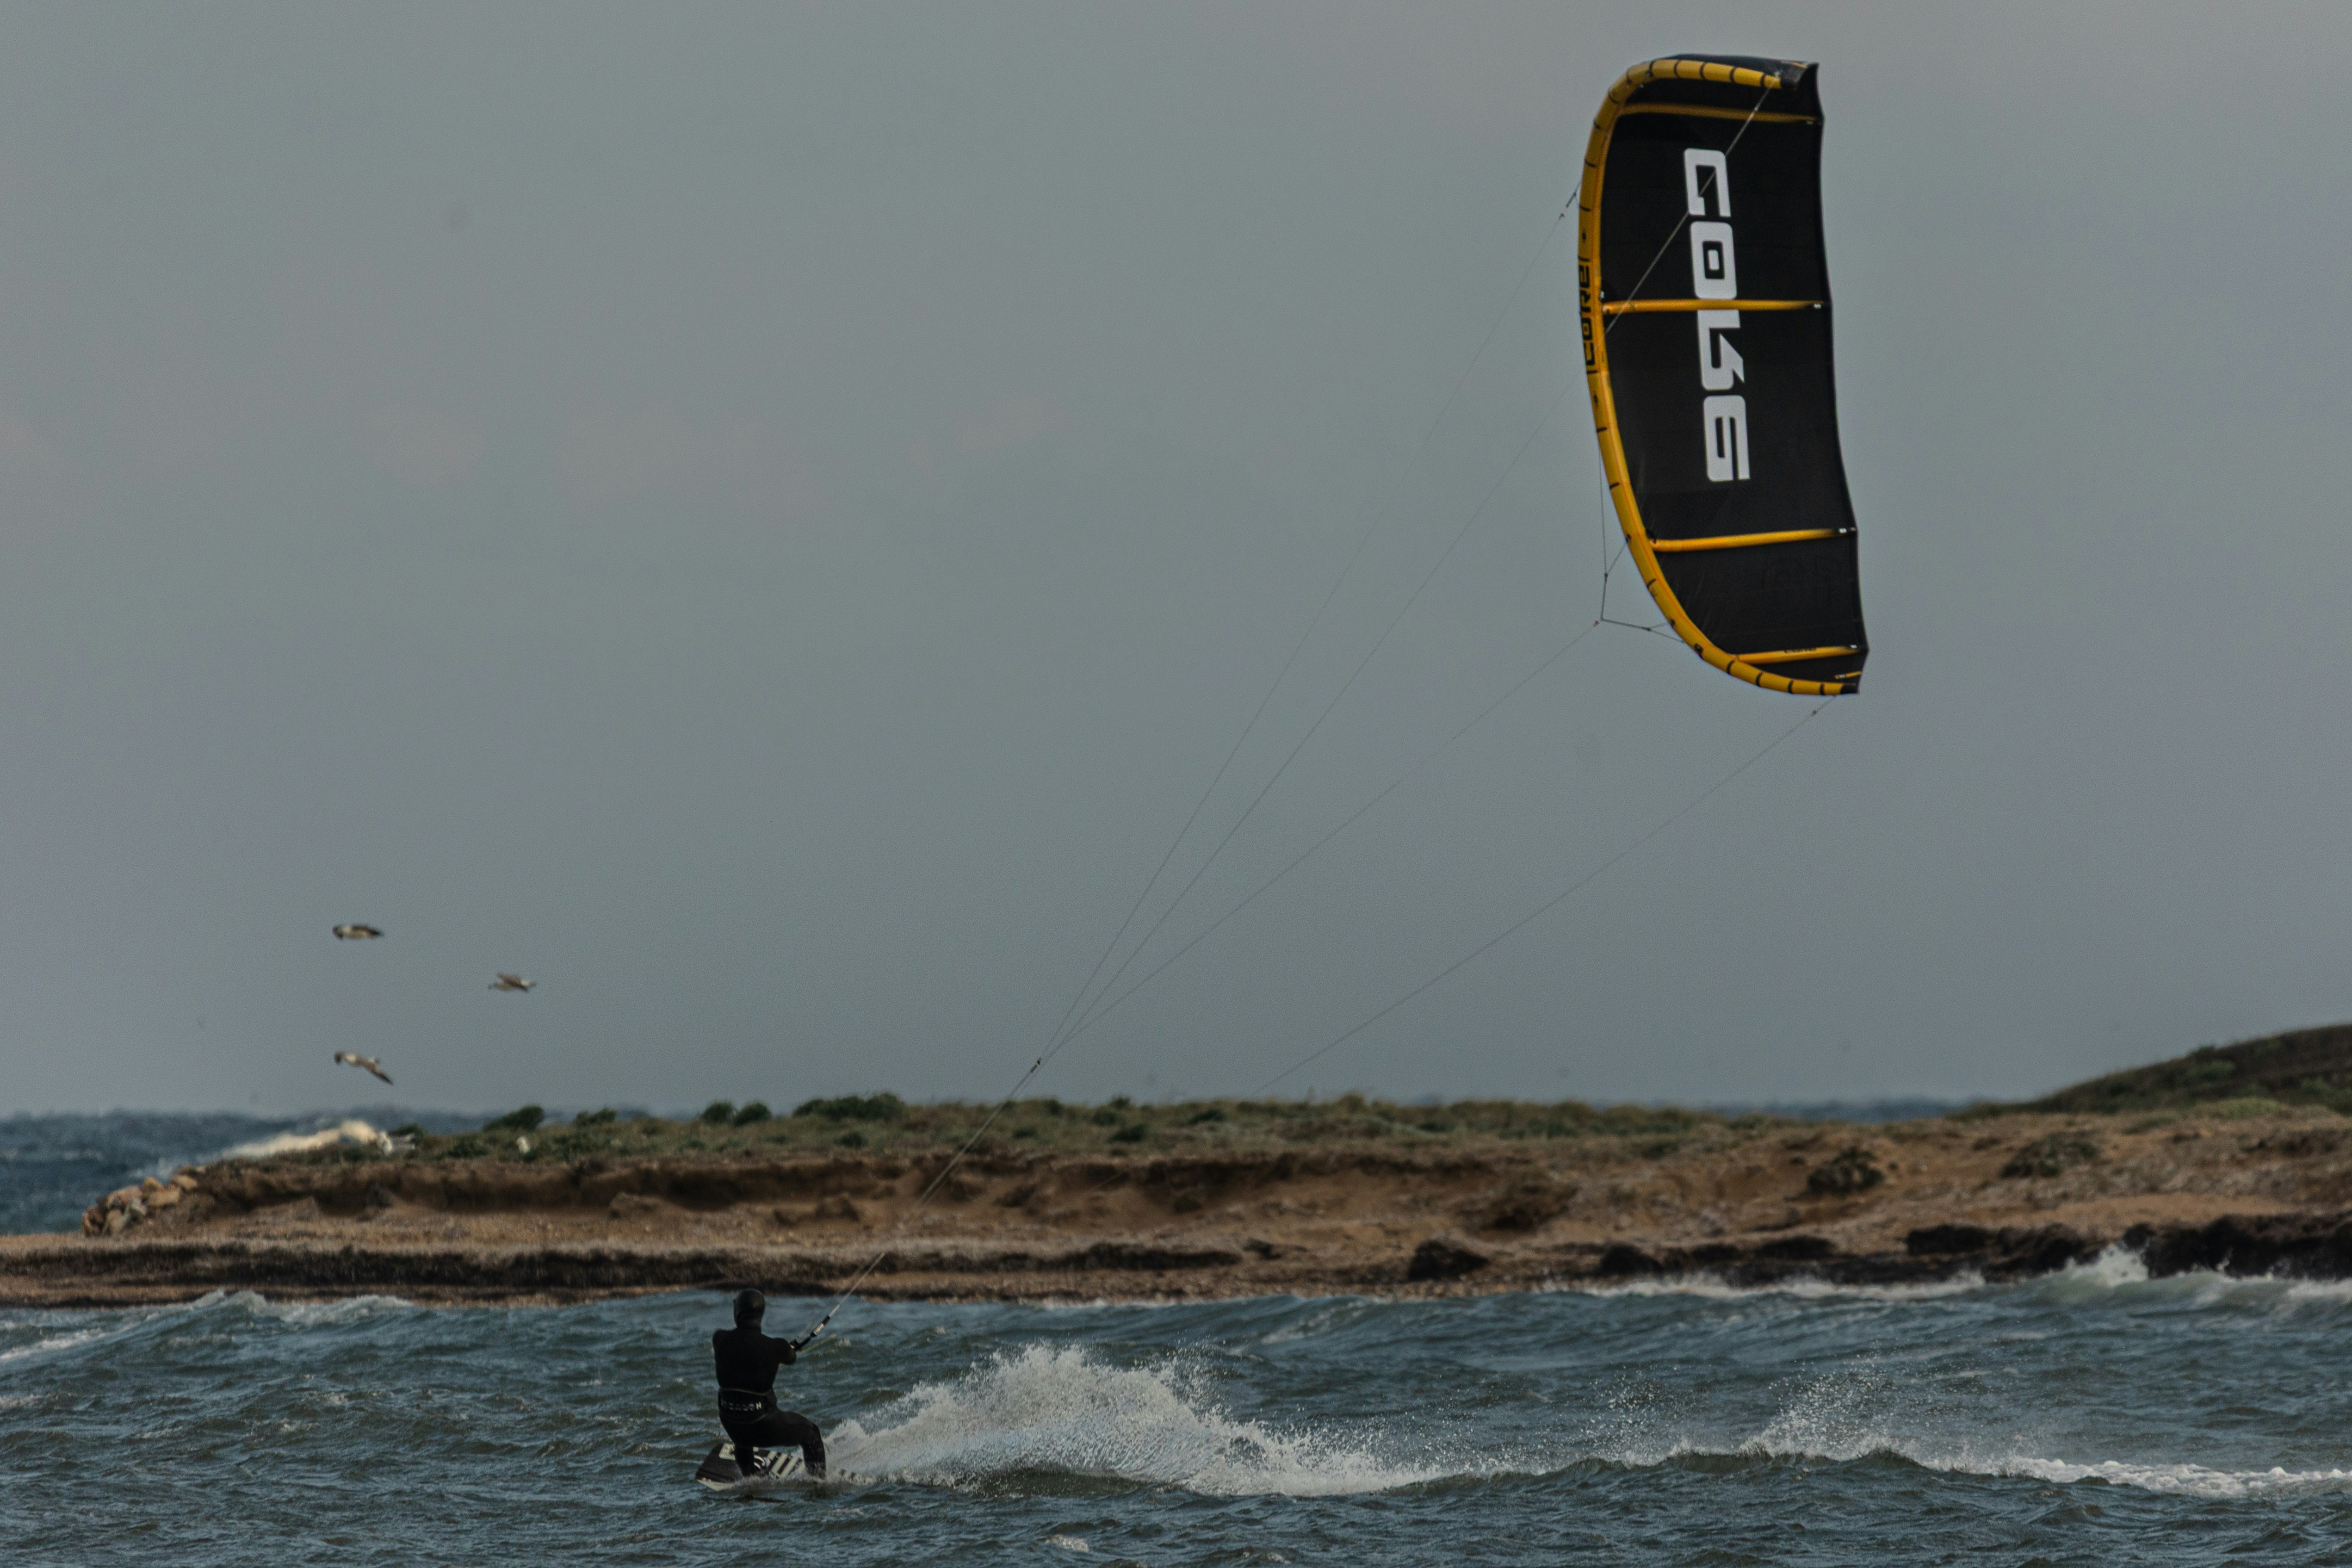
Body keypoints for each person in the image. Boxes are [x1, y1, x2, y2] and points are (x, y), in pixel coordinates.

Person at [712, 1288, 826, 1480]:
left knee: (743, 1436)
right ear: (761, 1315)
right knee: (811, 1433)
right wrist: (785, 1349)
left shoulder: (719, 1339)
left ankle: (751, 1475)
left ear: (737, 1312)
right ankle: (818, 1482)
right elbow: (790, 1358)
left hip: (732, 1424)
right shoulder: (777, 1348)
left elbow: (743, 1354)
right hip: (763, 1425)